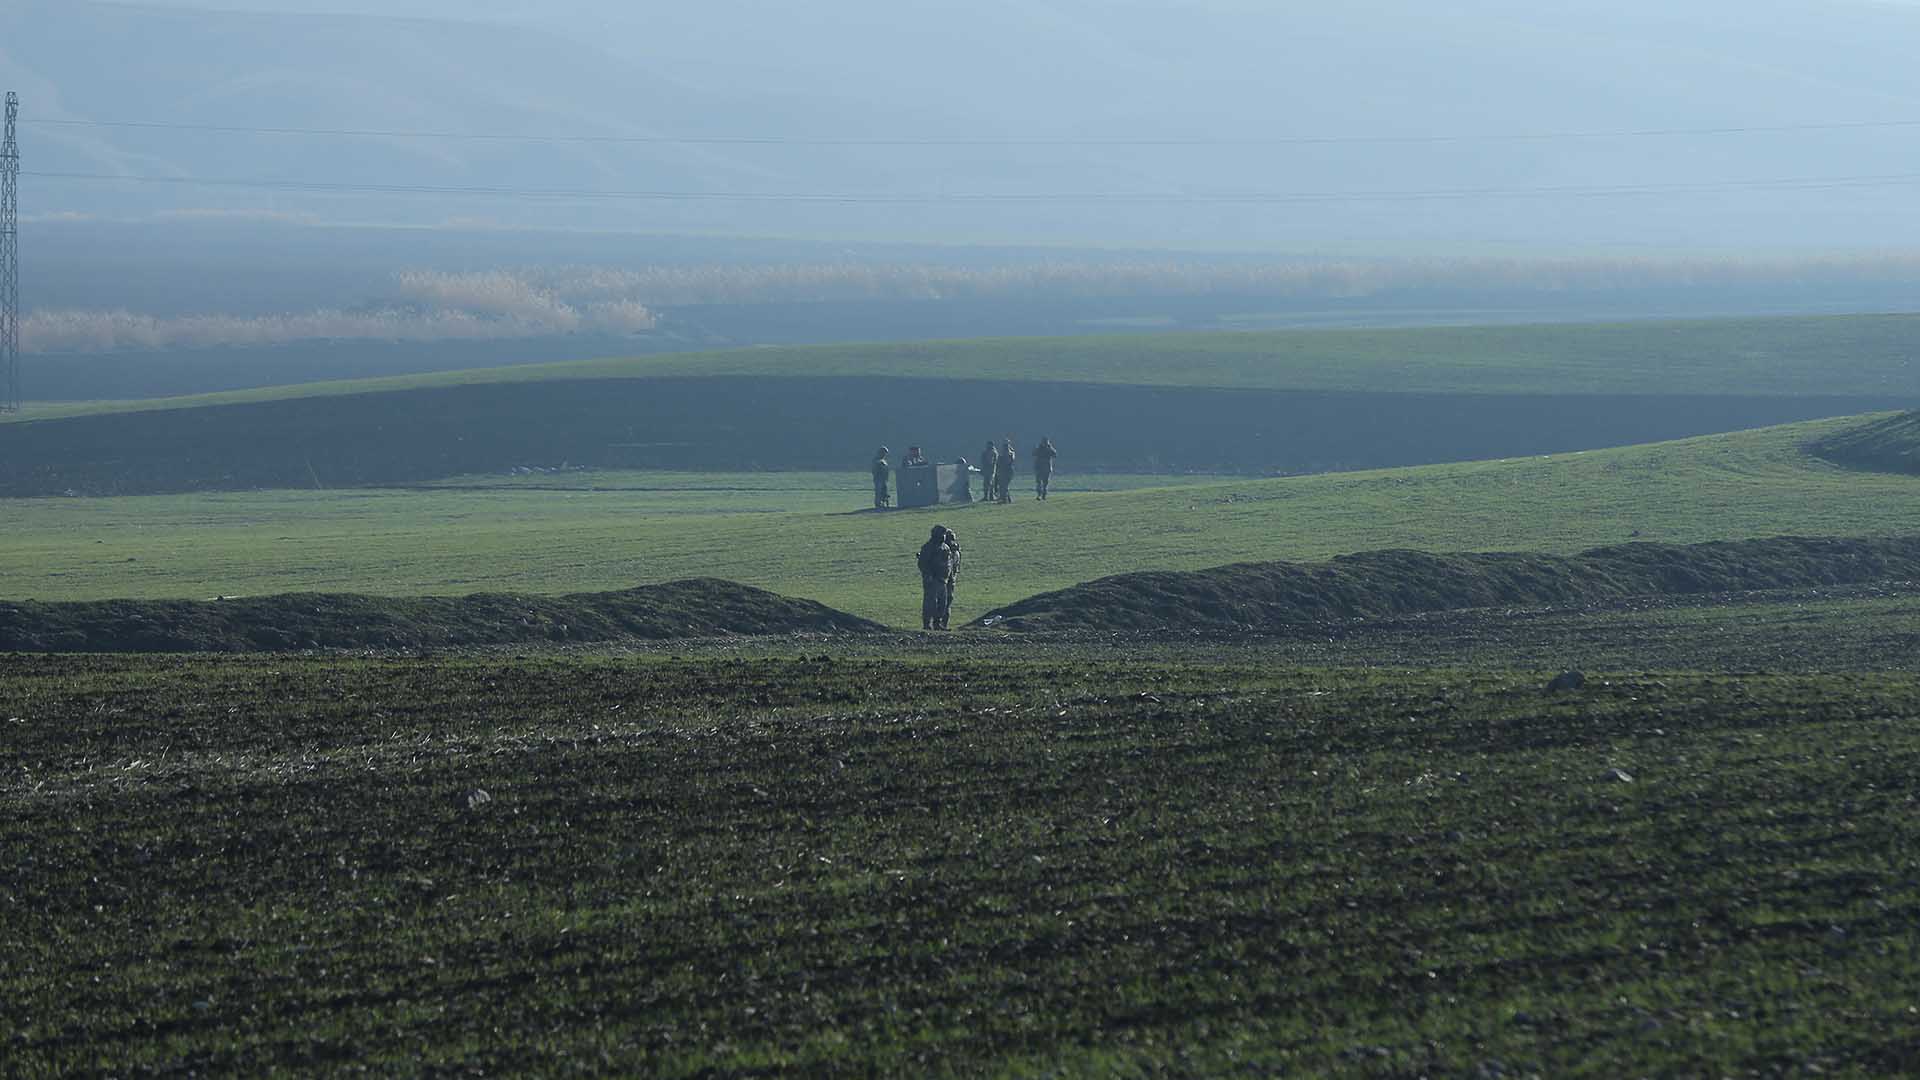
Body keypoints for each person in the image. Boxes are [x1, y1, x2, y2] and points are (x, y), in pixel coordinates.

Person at [917, 525, 961, 630]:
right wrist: (928, 576)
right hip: (933, 579)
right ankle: (927, 624)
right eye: (942, 535)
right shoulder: (928, 547)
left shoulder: (945, 548)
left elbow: (949, 563)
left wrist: (949, 577)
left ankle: (938, 624)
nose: (943, 537)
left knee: (943, 603)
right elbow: (923, 563)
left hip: (944, 580)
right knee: (930, 603)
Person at [995, 438, 1017, 503]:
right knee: (1004, 486)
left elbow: (1006, 461)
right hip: (1005, 470)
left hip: (1006, 471)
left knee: (1004, 486)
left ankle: (1004, 499)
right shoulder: (1010, 453)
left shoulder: (1008, 453)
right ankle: (1008, 499)